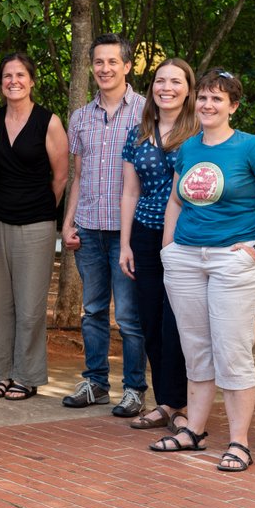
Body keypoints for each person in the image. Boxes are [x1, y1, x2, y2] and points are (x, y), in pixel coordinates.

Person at [150, 68, 255, 473]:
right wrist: (169, 248)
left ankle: (238, 442)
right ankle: (194, 431)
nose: (207, 104)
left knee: (232, 352)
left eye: (218, 98)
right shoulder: (188, 147)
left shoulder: (252, 148)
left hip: (232, 263)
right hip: (185, 259)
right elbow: (177, 201)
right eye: (202, 97)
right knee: (195, 349)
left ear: (233, 106)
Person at [60, 33, 147, 417]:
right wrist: (68, 223)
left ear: (127, 66)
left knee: (129, 315)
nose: (104, 69)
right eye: (98, 62)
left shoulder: (147, 112)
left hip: (128, 232)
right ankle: (95, 382)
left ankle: (134, 388)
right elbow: (77, 176)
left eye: (112, 62)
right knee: (92, 309)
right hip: (90, 228)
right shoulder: (80, 117)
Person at [117, 58, 200, 428]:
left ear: (188, 88)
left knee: (178, 323)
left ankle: (182, 404)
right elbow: (130, 192)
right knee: (150, 319)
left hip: (188, 238)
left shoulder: (200, 131)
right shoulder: (137, 133)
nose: (166, 87)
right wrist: (125, 244)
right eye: (160, 81)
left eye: (175, 81)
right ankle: (166, 402)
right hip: (146, 236)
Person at [0, 54, 67, 401]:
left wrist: (40, 208)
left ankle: (26, 376)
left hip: (36, 224)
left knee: (30, 306)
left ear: (32, 81)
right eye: (7, 76)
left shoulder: (49, 122)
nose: (13, 81)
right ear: (1, 83)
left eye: (20, 75)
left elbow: (60, 176)